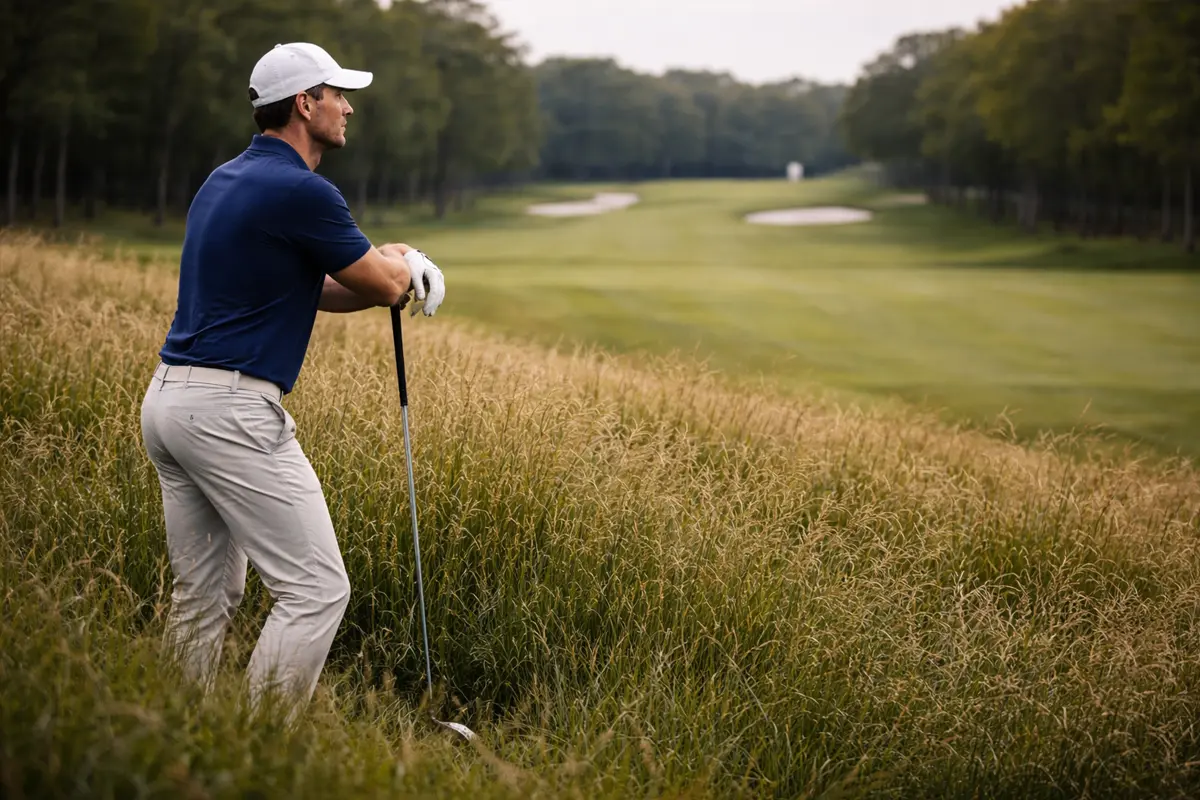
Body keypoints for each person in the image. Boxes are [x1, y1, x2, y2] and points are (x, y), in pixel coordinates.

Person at [139, 42, 445, 709]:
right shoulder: (303, 191)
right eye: (338, 93)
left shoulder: (226, 180)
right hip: (230, 412)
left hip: (169, 404)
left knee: (206, 595)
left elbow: (320, 289)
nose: (349, 106)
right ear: (305, 105)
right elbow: (384, 283)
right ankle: (260, 752)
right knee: (315, 590)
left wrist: (387, 268)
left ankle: (170, 735)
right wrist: (406, 259)